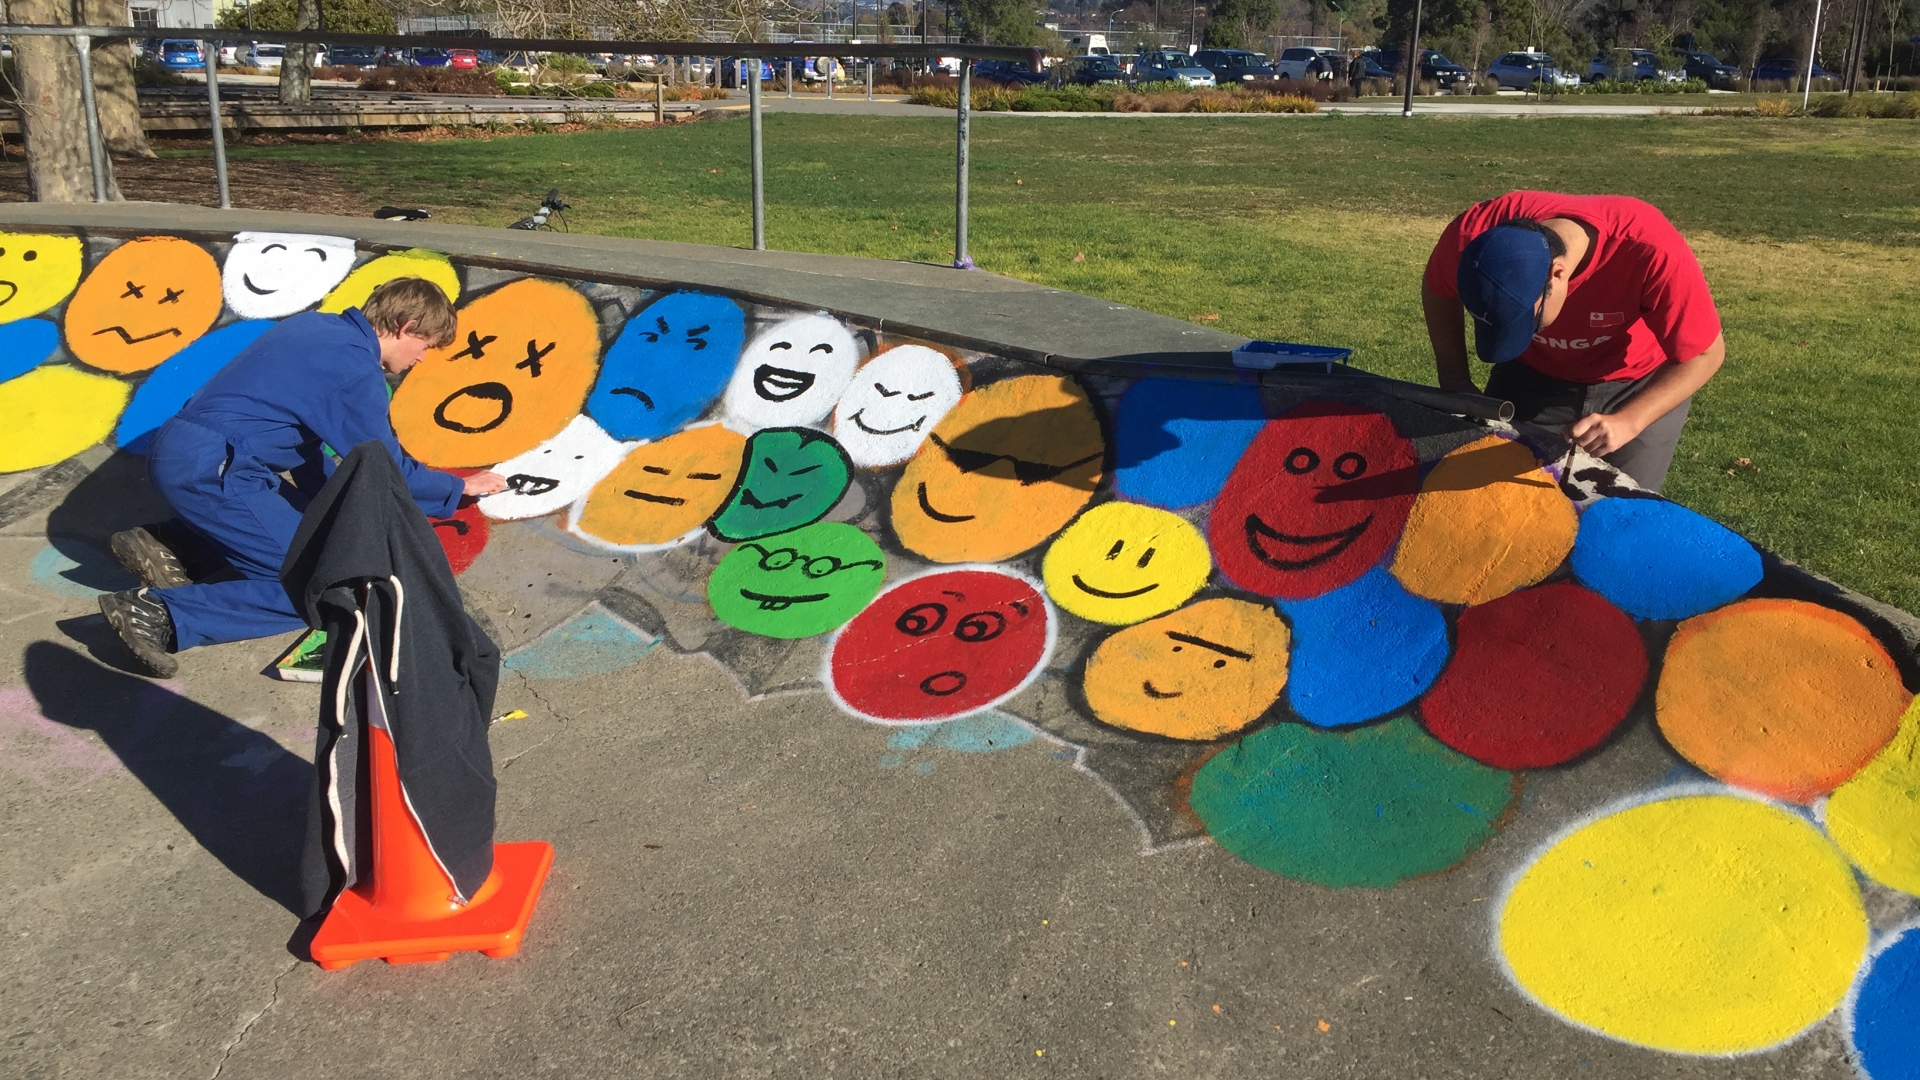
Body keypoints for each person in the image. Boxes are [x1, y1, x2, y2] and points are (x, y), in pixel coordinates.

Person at [99, 277, 509, 678]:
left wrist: (326, 509)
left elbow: (307, 447)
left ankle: (172, 546)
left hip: (191, 453)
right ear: (406, 327)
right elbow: (384, 466)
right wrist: (459, 487)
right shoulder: (355, 372)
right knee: (317, 584)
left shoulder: (313, 326)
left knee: (314, 533)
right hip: (215, 472)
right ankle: (156, 613)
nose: (422, 358)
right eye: (426, 346)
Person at [1422, 191, 1725, 492]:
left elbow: (1705, 354)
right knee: (1496, 498)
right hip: (1531, 377)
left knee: (1620, 515)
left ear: (1557, 274)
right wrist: (1454, 379)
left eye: (1526, 324)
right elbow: (1438, 289)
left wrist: (1629, 421)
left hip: (1635, 384)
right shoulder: (1472, 237)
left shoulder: (1647, 246)